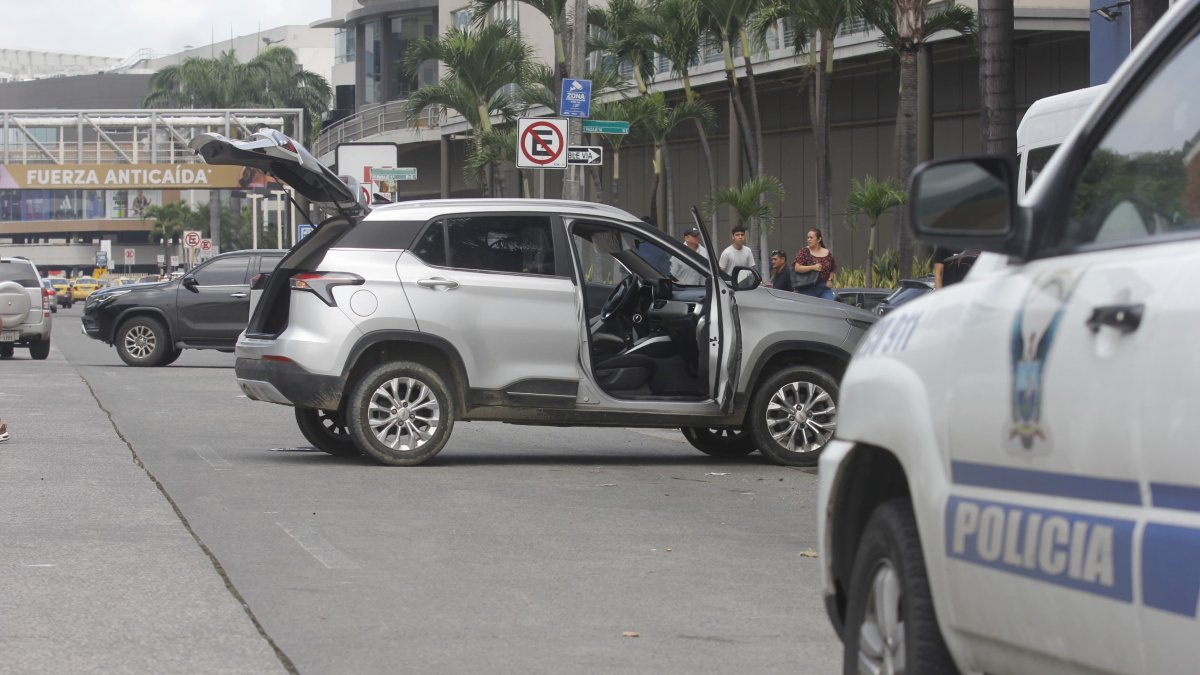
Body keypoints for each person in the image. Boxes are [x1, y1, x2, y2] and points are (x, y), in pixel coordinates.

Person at [793, 228, 837, 300]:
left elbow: (833, 268)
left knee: (829, 305)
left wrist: (829, 280)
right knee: (810, 307)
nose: (809, 240)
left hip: (824, 287)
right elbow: (797, 268)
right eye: (808, 238)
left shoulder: (827, 252)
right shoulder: (804, 251)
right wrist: (813, 267)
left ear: (819, 239)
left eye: (811, 238)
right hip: (808, 287)